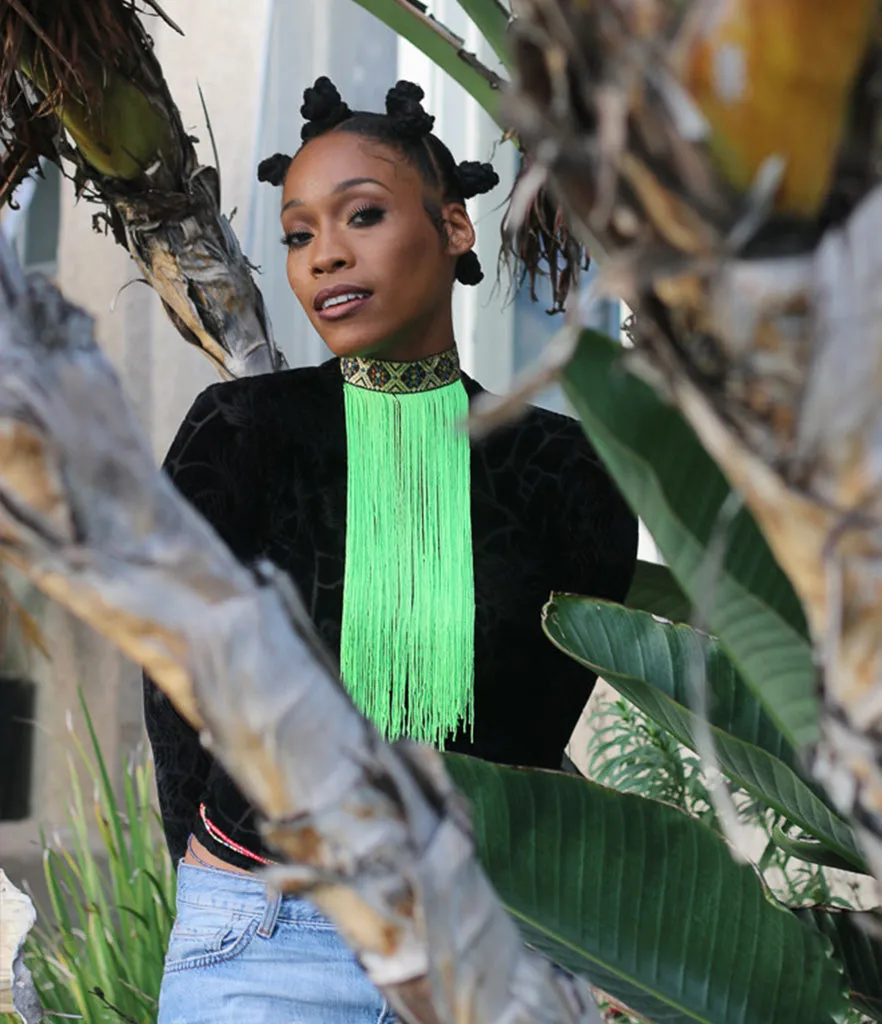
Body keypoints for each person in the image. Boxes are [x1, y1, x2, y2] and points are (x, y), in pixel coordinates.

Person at [144, 76, 637, 1024]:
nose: (326, 255)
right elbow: (176, 669)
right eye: (298, 235)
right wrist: (210, 854)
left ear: (455, 227)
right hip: (268, 935)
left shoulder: (564, 469)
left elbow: (535, 729)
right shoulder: (243, 431)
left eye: (361, 216)